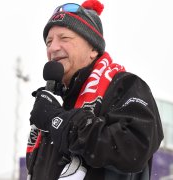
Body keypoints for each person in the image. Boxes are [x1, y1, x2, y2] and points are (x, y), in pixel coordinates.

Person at [26, 0, 164, 179]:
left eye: (64, 38)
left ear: (93, 48)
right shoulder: (55, 102)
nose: (53, 48)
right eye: (48, 41)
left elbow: (134, 147)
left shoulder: (125, 86)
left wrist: (58, 120)